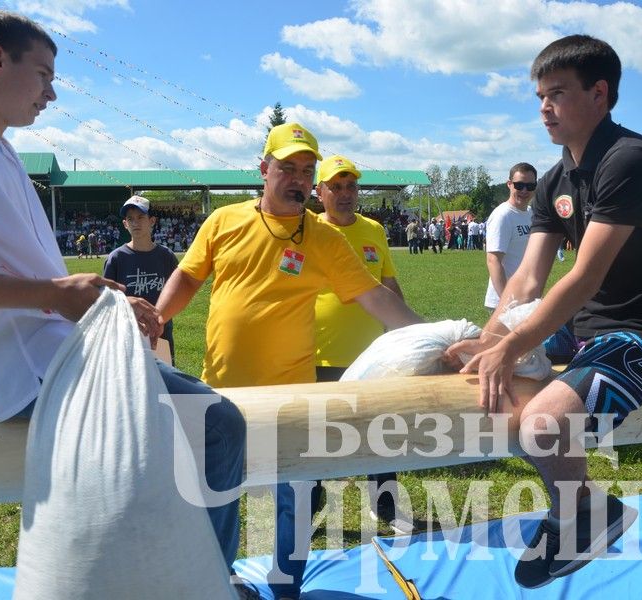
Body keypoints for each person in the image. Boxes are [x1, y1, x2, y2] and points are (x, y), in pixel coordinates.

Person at [0, 9, 248, 597]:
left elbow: (34, 284)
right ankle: (210, 584)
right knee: (220, 426)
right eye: (44, 74)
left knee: (206, 428)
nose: (52, 92)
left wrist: (100, 304)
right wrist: (55, 294)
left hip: (61, 357)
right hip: (35, 376)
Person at [446, 34, 642, 589]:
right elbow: (527, 278)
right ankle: (590, 506)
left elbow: (584, 275)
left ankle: (578, 520)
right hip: (587, 329)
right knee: (489, 379)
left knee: (541, 423)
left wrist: (510, 347)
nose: (544, 107)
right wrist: (492, 340)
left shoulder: (631, 161)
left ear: (600, 94)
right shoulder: (555, 179)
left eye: (557, 93)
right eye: (539, 95)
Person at [156, 123, 422, 600]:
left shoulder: (322, 239)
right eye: (287, 168)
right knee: (217, 500)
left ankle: (286, 590)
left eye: (306, 170)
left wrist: (435, 340)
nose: (298, 178)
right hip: (221, 392)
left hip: (292, 394)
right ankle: (220, 583)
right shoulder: (223, 220)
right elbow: (188, 277)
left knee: (294, 503)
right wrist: (155, 319)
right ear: (264, 170)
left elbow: (378, 299)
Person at [312, 154, 416, 535]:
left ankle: (385, 505)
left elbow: (389, 285)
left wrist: (405, 333)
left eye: (351, 186)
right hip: (319, 355)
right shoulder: (305, 230)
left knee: (381, 433)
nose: (344, 194)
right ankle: (309, 508)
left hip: (373, 354)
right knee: (317, 438)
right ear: (319, 191)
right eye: (335, 187)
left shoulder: (373, 228)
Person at [103, 195, 178, 362]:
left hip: (161, 335)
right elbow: (107, 300)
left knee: (164, 383)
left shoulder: (166, 257)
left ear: (152, 221)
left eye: (141, 217)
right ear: (125, 224)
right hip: (128, 336)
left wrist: (161, 319)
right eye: (130, 219)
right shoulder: (116, 258)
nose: (135, 222)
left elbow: (176, 293)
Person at [484, 163, 536, 313]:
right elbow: (493, 261)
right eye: (519, 185)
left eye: (530, 186)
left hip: (524, 297)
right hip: (505, 301)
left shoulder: (530, 213)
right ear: (509, 184)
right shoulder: (503, 215)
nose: (524, 190)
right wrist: (507, 302)